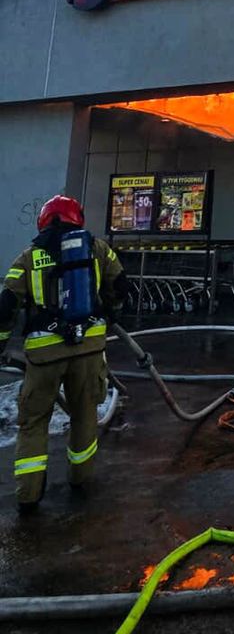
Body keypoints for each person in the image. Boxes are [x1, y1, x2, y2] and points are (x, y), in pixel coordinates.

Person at [0, 196, 127, 512]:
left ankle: (29, 495)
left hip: (44, 355)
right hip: (89, 348)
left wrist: (1, 343)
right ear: (76, 219)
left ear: (44, 221)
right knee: (84, 414)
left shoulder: (28, 257)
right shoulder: (97, 249)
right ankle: (80, 480)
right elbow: (121, 285)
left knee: (34, 422)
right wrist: (111, 312)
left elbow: (6, 307)